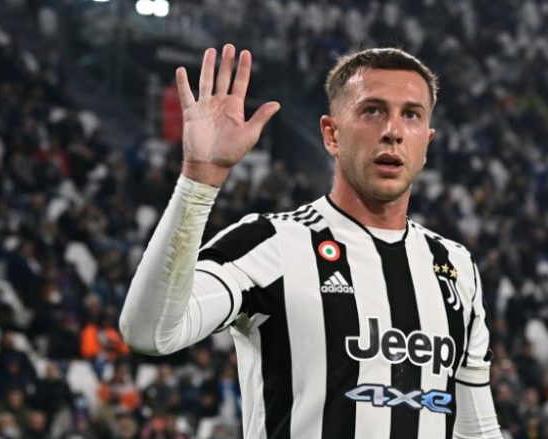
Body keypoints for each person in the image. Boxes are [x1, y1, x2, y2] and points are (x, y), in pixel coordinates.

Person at [119, 43, 502, 439]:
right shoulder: (271, 244)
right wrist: (199, 181)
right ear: (331, 135)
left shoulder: (456, 267)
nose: (393, 131)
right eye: (372, 111)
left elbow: (478, 431)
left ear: (427, 142)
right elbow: (149, 333)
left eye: (411, 115)